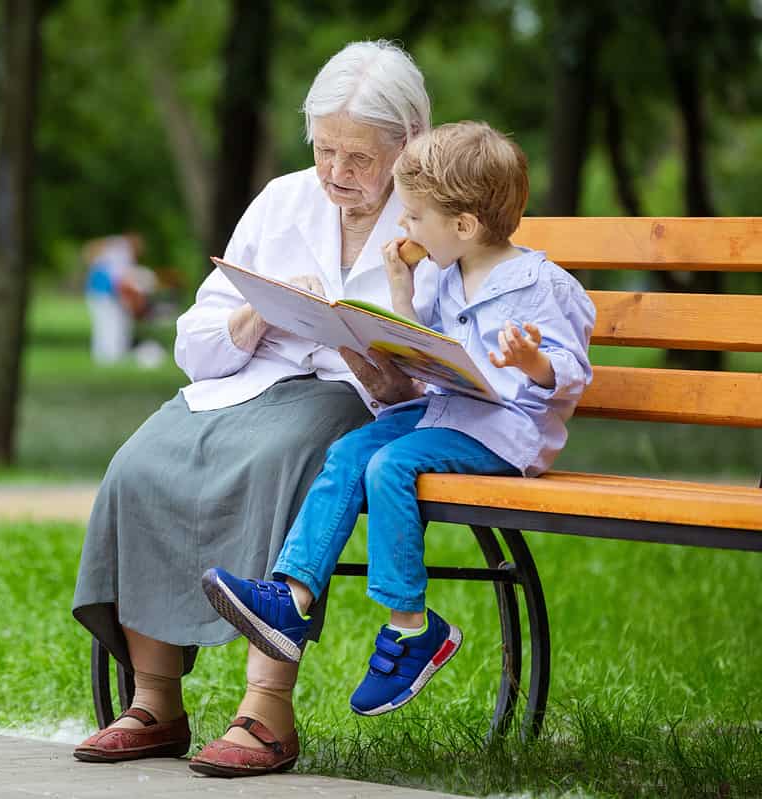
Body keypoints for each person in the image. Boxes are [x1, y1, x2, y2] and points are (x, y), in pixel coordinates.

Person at [72, 40, 439, 776]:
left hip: (352, 400)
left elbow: (447, 374)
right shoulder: (282, 199)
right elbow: (195, 340)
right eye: (325, 150)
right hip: (246, 382)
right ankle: (155, 699)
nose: (336, 173)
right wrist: (259, 316)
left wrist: (368, 352)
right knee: (141, 461)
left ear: (409, 143)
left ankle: (265, 708)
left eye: (358, 159)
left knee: (284, 459)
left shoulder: (436, 218)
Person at [202, 122, 596, 721]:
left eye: (412, 217)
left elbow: (571, 372)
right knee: (352, 452)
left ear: (463, 225)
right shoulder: (446, 271)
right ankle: (291, 594)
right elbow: (423, 344)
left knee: (391, 465)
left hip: (504, 432)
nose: (403, 228)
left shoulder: (542, 286)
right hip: (445, 412)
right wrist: (398, 290)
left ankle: (412, 628)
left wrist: (533, 361)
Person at [83, 233, 157, 364]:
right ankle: (110, 355)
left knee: (107, 325)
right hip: (104, 293)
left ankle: (107, 355)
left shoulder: (115, 249)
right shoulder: (122, 251)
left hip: (102, 292)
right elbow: (120, 279)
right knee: (109, 324)